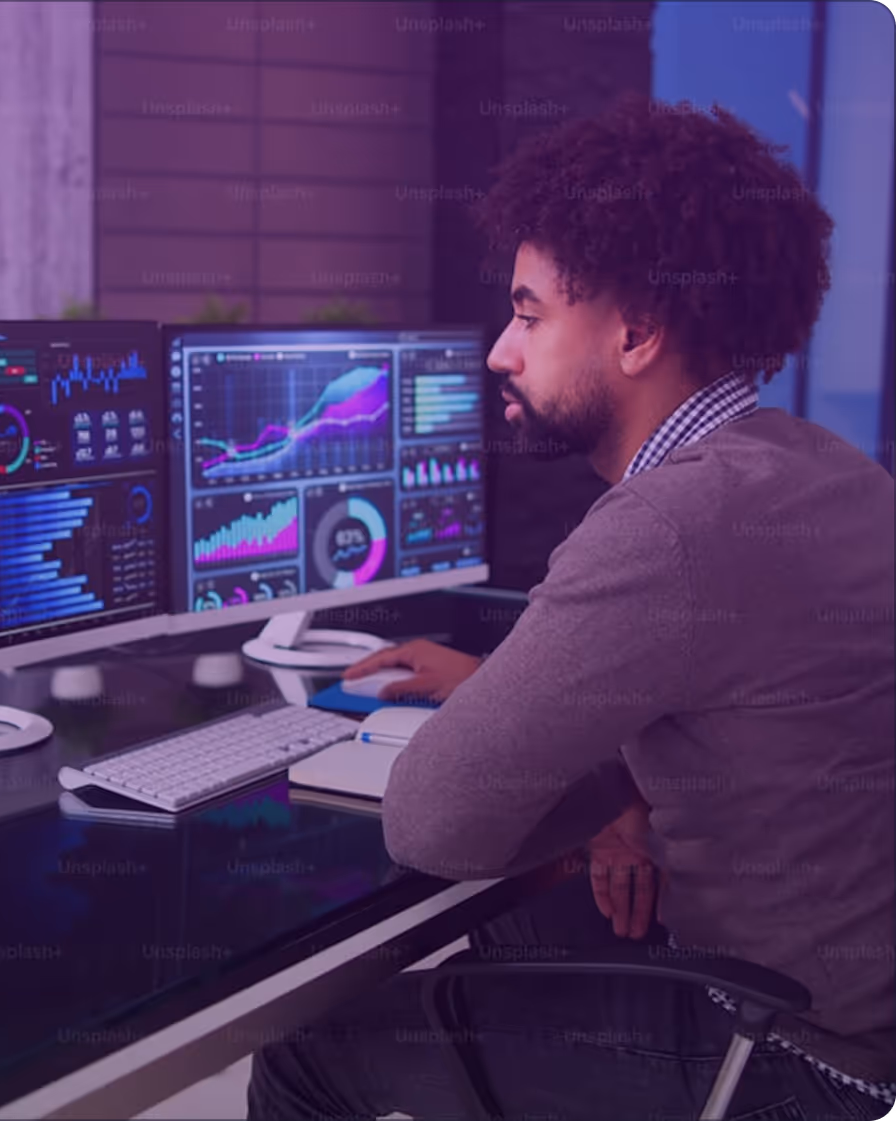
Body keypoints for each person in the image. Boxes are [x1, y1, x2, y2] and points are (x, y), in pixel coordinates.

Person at [247, 92, 895, 1121]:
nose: (503, 348)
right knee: (518, 933)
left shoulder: (669, 524)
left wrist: (604, 787)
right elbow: (750, 713)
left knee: (306, 1053)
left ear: (636, 330)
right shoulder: (824, 465)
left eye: (531, 312)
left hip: (804, 1060)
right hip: (865, 1007)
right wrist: (621, 783)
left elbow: (433, 821)